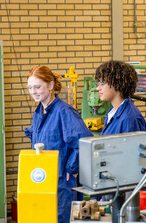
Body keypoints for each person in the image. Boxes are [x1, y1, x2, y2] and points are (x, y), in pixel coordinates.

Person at [24, 66, 93, 223]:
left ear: (50, 85)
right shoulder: (39, 112)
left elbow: (84, 142)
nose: (33, 91)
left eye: (37, 86)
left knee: (61, 217)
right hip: (44, 179)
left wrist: (71, 168)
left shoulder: (64, 112)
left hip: (62, 182)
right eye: (30, 87)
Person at [95, 60, 146, 135]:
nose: (98, 88)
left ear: (117, 84)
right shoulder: (114, 114)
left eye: (102, 83)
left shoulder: (128, 119)